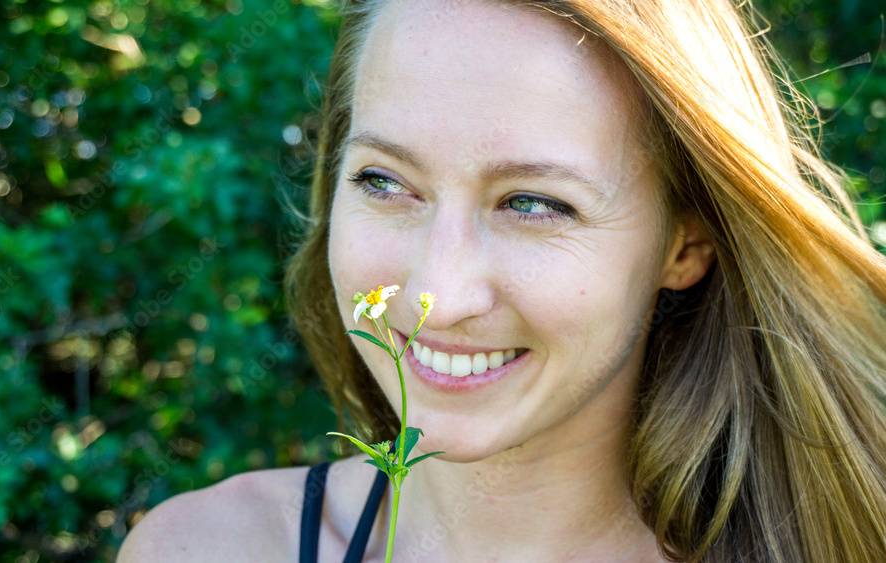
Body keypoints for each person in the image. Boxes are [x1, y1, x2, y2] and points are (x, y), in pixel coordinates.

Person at [119, 0, 886, 561]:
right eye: (386, 182)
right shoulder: (199, 548)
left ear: (686, 244)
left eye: (532, 202)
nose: (442, 294)